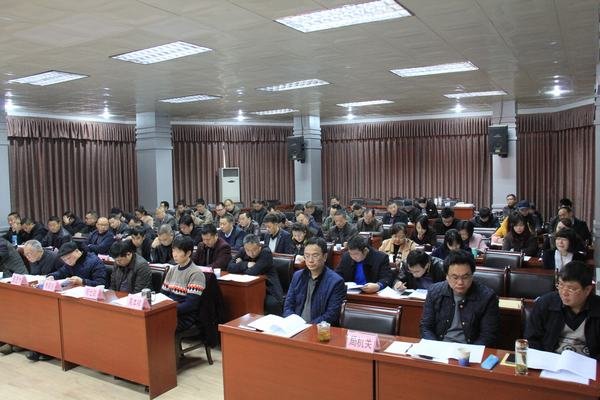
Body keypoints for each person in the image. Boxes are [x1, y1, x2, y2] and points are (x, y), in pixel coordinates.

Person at [420, 250, 500, 346]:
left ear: (472, 275)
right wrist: (436, 348)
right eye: (455, 277)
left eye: (465, 277)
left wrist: (470, 352)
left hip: (470, 349)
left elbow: (488, 335)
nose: (460, 282)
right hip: (440, 347)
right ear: (446, 276)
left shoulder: (487, 297)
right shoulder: (434, 291)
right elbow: (426, 327)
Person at [526, 261, 600, 359]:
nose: (564, 293)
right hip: (550, 360)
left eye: (571, 288)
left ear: (587, 290)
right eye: (560, 285)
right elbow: (532, 339)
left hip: (588, 363)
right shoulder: (545, 304)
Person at [283, 237, 346, 324]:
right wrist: (292, 321)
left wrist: (308, 326)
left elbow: (331, 314)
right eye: (307, 256)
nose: (310, 260)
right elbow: (288, 305)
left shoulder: (336, 282)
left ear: (325, 257)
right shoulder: (297, 276)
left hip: (318, 328)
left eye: (315, 256)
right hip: (295, 326)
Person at [228, 234, 284, 315]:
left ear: (259, 246)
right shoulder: (243, 250)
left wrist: (239, 265)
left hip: (269, 288)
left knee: (270, 304)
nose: (251, 253)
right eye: (248, 250)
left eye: (254, 250)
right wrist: (246, 264)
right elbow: (230, 267)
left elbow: (252, 272)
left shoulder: (266, 252)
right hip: (250, 287)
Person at [161, 235, 206, 332]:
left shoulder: (196, 273)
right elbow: (163, 295)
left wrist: (168, 310)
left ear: (188, 253)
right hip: (170, 311)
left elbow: (191, 304)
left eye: (178, 251)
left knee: (157, 325)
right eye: (173, 251)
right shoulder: (172, 270)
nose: (174, 255)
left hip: (185, 317)